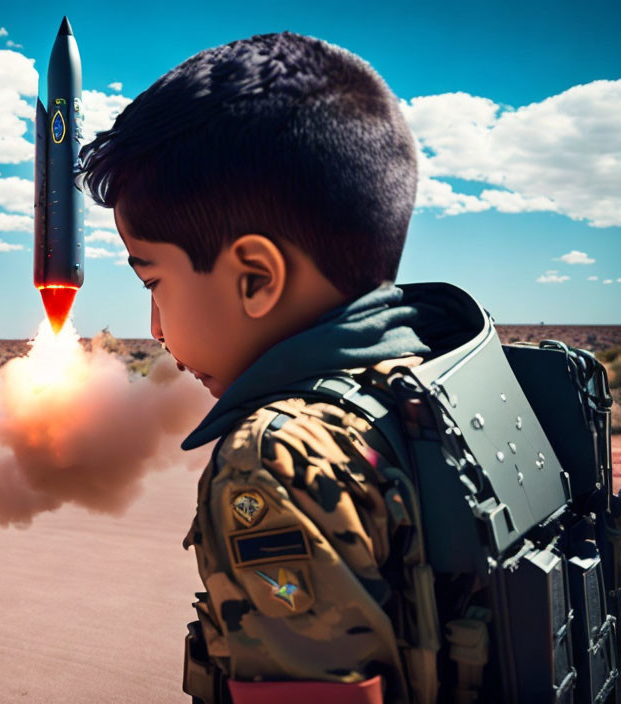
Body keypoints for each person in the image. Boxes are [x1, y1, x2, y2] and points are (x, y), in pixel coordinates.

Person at [79, 32, 620, 704]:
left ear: (255, 279)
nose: (155, 329)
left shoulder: (273, 460)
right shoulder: (447, 379)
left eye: (153, 282)